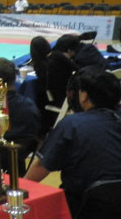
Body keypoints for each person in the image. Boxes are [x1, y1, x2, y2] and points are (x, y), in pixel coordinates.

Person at [25, 67, 121, 217]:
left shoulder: (72, 124)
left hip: (88, 206)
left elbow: (38, 169)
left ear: (84, 96)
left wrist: (16, 193)